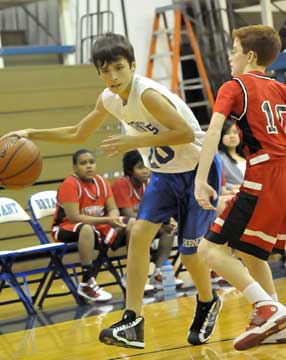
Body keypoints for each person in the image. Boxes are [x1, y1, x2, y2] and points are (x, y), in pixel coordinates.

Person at [2, 33, 222, 348]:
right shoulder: (108, 97)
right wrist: (30, 133)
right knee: (138, 236)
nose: (113, 76)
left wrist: (134, 141)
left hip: (198, 171)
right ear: (99, 73)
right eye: (105, 71)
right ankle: (132, 320)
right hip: (163, 174)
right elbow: (78, 132)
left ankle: (207, 302)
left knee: (188, 254)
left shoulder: (147, 95)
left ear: (132, 65)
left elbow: (186, 132)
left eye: (119, 67)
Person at [194, 25, 286, 351]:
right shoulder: (281, 88)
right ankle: (274, 321)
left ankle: (267, 307)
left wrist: (201, 179)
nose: (230, 57)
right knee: (250, 250)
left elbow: (213, 131)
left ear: (249, 55)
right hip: (282, 176)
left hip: (263, 173)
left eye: (234, 50)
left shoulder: (234, 86)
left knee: (209, 250)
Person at [52, 148, 134, 302]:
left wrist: (114, 218)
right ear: (75, 168)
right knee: (86, 229)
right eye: (83, 163)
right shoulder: (70, 184)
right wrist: (107, 220)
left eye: (91, 162)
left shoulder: (101, 182)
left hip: (96, 226)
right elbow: (74, 217)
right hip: (65, 227)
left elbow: (113, 208)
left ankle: (131, 275)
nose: (89, 166)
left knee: (132, 223)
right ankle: (86, 281)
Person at [112, 150, 183, 289]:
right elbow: (129, 214)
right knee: (135, 227)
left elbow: (159, 209)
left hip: (143, 225)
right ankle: (131, 275)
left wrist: (165, 224)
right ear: (129, 170)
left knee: (168, 231)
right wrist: (157, 221)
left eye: (147, 166)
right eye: (140, 167)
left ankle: (159, 272)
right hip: (121, 229)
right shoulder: (121, 184)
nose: (145, 171)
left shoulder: (150, 184)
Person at [218, 118, 246, 194]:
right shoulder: (219, 157)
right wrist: (234, 187)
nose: (232, 136)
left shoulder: (246, 155)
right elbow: (216, 183)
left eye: (235, 132)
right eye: (227, 133)